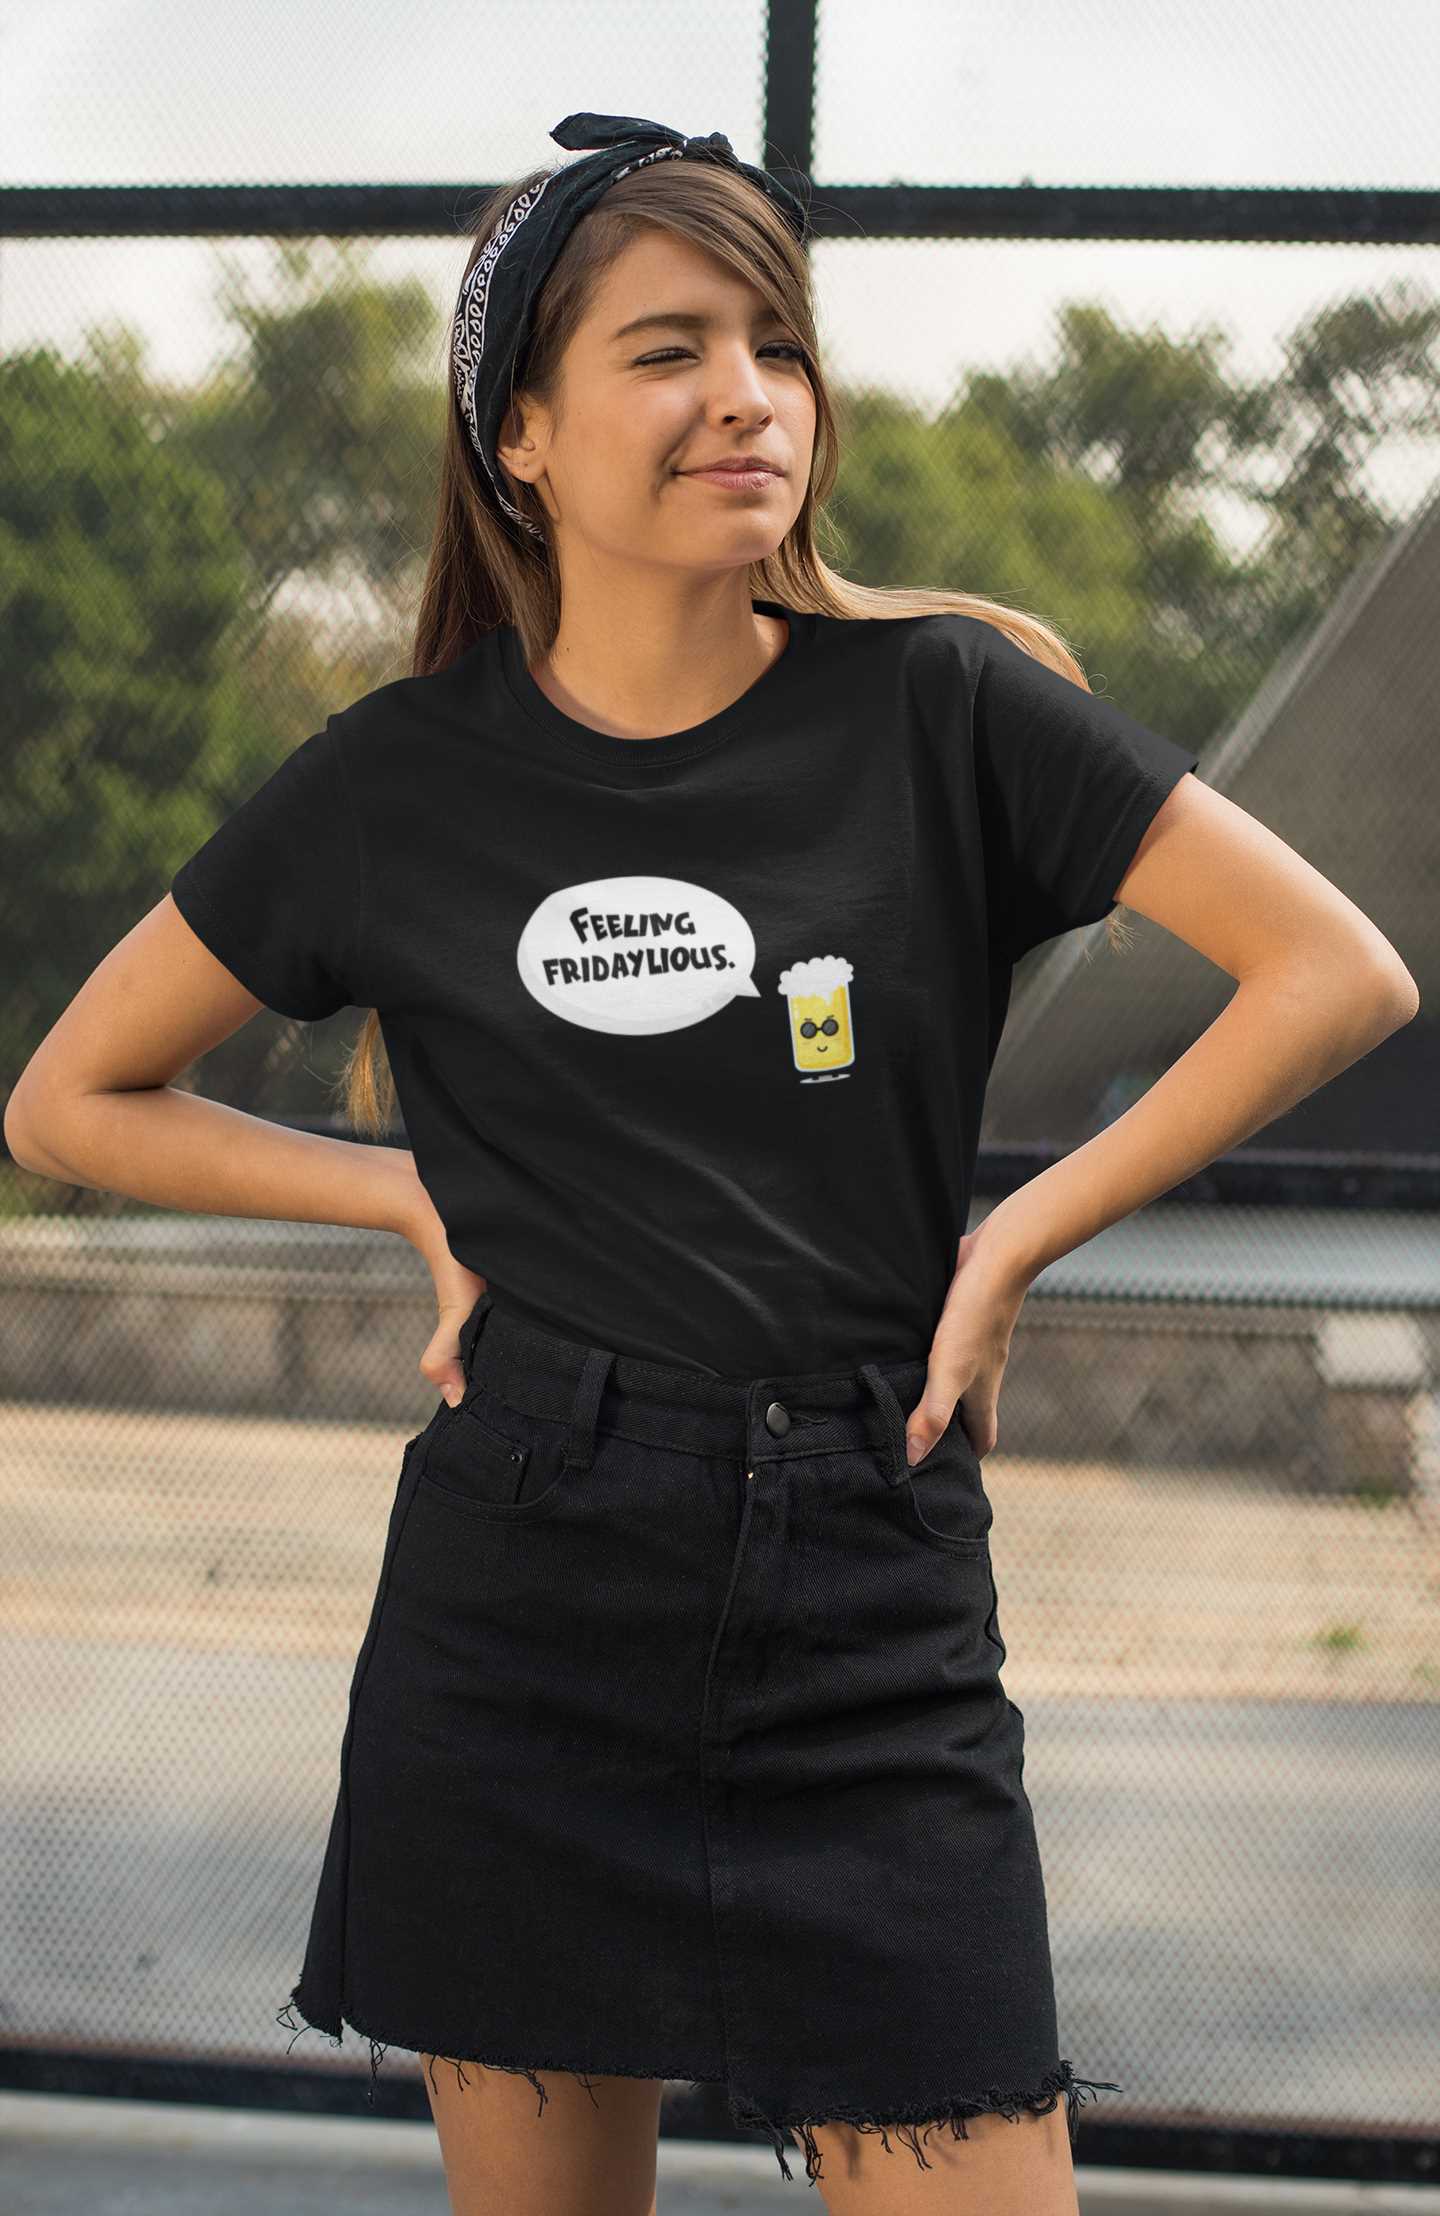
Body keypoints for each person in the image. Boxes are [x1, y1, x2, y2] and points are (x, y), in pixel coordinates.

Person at [5, 108, 1418, 2216]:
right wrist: (406, 1194)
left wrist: (1017, 1230)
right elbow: (64, 1103)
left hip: (870, 1585)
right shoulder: (398, 784)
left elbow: (1337, 968)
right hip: (527, 1590)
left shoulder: (947, 709)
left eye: (776, 338)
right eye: (668, 348)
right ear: (524, 438)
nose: (748, 392)